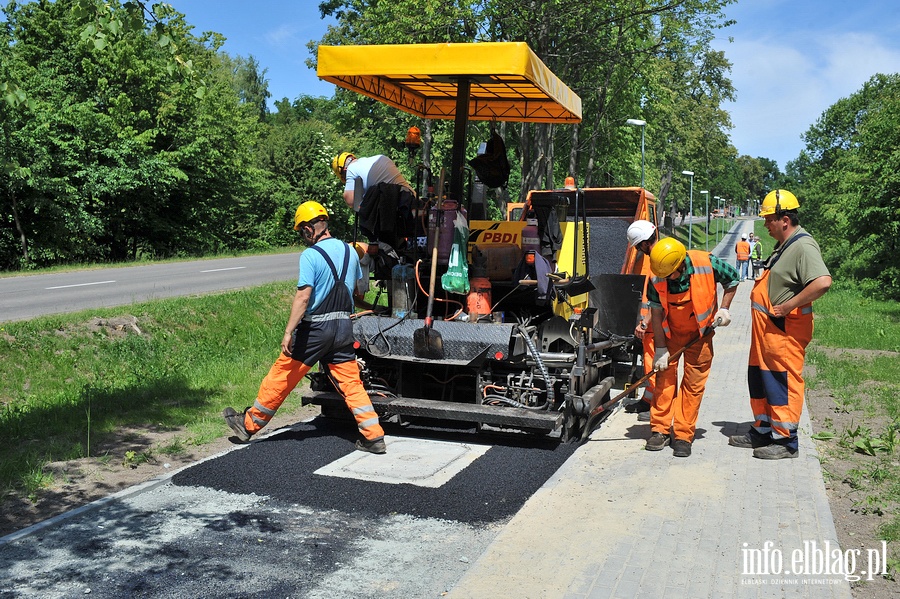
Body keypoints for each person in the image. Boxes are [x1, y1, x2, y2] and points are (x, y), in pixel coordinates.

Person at [223, 201, 387, 454]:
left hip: (315, 330)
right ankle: (374, 436)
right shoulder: (350, 252)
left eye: (302, 231)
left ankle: (249, 424)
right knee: (351, 383)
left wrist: (288, 332)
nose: (303, 236)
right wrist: (371, 308)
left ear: (310, 229)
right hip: (344, 328)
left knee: (283, 373)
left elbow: (303, 296)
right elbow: (351, 291)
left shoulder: (311, 255)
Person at [729, 190, 831, 459]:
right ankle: (763, 430)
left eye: (769, 219)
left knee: (781, 382)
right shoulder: (785, 245)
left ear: (784, 220)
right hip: (767, 331)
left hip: (784, 330)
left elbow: (822, 282)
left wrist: (787, 306)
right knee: (761, 380)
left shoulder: (803, 246)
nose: (765, 225)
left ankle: (786, 441)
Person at [646, 237, 739, 457]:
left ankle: (683, 434)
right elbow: (657, 315)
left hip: (701, 335)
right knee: (663, 379)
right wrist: (660, 349)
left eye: (670, 275)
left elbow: (733, 279)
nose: (666, 279)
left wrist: (724, 309)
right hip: (671, 336)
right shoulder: (657, 277)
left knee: (693, 384)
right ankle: (659, 430)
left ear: (679, 264)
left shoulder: (707, 263)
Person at [623, 220, 658, 423]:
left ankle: (658, 409)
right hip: (651, 327)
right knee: (649, 367)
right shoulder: (656, 257)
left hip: (655, 327)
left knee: (655, 369)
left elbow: (659, 300)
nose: (637, 250)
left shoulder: (659, 261)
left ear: (645, 243)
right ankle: (648, 399)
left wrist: (644, 323)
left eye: (637, 246)